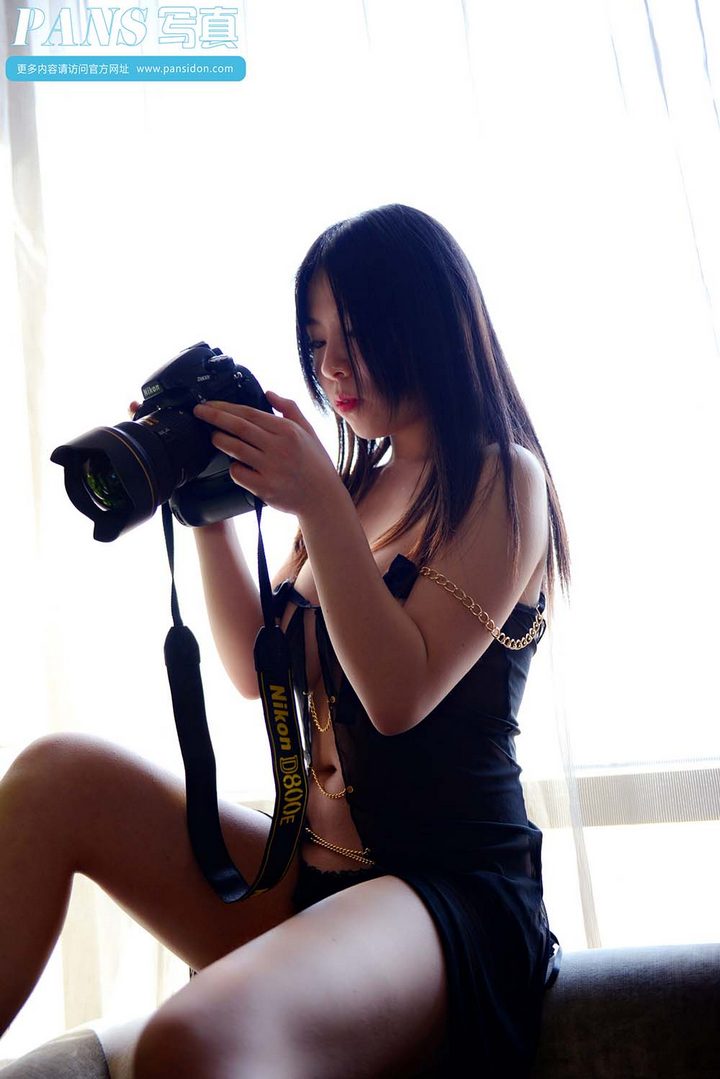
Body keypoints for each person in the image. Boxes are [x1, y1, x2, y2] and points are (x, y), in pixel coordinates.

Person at [0, 203, 569, 1077]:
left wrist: (317, 502)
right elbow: (249, 663)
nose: (331, 365)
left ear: (432, 320)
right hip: (309, 875)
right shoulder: (352, 488)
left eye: (357, 334)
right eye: (315, 339)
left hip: (445, 892)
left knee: (188, 1040)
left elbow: (399, 694)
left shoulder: (500, 478)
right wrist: (206, 504)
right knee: (55, 776)